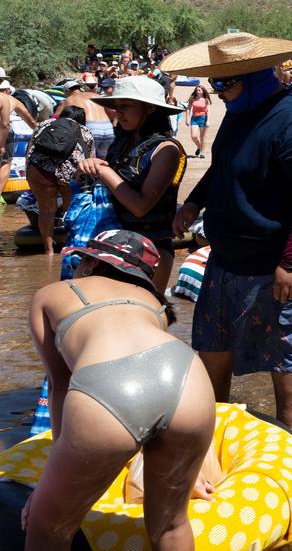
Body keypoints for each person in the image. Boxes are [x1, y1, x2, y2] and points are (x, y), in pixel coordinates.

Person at [164, 32, 292, 432]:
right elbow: (222, 165)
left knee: (287, 349)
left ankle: (291, 432)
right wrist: (193, 202)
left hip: (282, 261)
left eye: (227, 83)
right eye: (216, 84)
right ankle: (210, 426)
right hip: (228, 258)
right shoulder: (240, 112)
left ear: (257, 75)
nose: (220, 93)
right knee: (211, 341)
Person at [23, 230, 215, 549]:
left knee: (47, 529)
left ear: (88, 264)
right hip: (188, 377)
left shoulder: (50, 293)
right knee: (171, 524)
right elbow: (148, 379)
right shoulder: (154, 302)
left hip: (107, 388)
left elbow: (60, 383)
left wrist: (54, 476)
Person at [81, 76, 187, 293]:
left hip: (149, 249)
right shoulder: (122, 142)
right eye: (117, 107)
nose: (118, 112)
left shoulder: (166, 150)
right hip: (112, 245)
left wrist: (103, 171)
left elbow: (141, 207)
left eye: (126, 106)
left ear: (149, 108)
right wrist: (88, 168)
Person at [27, 105, 94, 256]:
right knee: (70, 209)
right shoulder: (86, 131)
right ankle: (70, 248)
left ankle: (48, 251)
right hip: (69, 174)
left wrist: (29, 174)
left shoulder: (44, 125)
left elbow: (30, 149)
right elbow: (89, 159)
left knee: (46, 210)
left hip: (39, 170)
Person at [60, 81, 113, 160]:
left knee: (89, 162)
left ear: (67, 91)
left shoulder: (69, 99)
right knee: (102, 162)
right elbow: (112, 111)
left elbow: (55, 117)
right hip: (108, 127)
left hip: (91, 128)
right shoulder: (96, 95)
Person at [0, 84, 37, 187]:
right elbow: (30, 121)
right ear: (7, 90)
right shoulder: (10, 100)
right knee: (5, 163)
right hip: (3, 133)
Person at [185, 85, 210, 158]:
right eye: (197, 90)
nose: (197, 92)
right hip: (194, 119)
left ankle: (202, 152)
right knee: (194, 136)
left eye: (199, 90)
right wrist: (187, 119)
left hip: (203, 118)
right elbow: (188, 109)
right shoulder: (192, 99)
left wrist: (208, 120)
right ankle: (199, 147)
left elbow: (208, 111)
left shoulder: (206, 100)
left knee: (203, 137)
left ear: (203, 91)